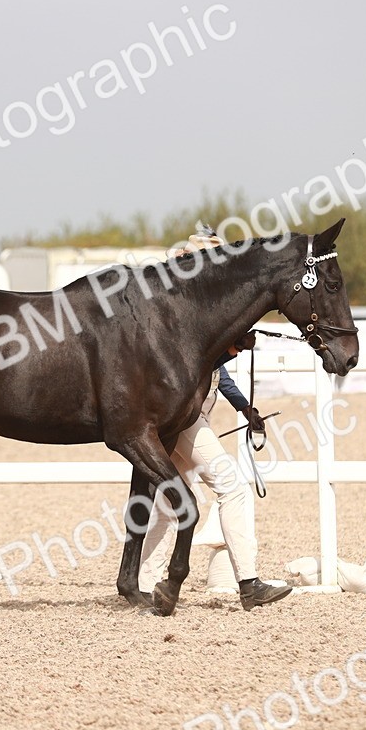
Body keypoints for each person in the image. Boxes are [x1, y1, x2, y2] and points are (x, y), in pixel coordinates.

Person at [139, 223, 292, 610]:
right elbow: (197, 366)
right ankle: (248, 582)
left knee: (164, 501)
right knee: (230, 486)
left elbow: (216, 374)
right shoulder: (183, 304)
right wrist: (230, 350)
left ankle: (145, 582)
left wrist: (244, 406)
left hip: (182, 413)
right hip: (185, 417)